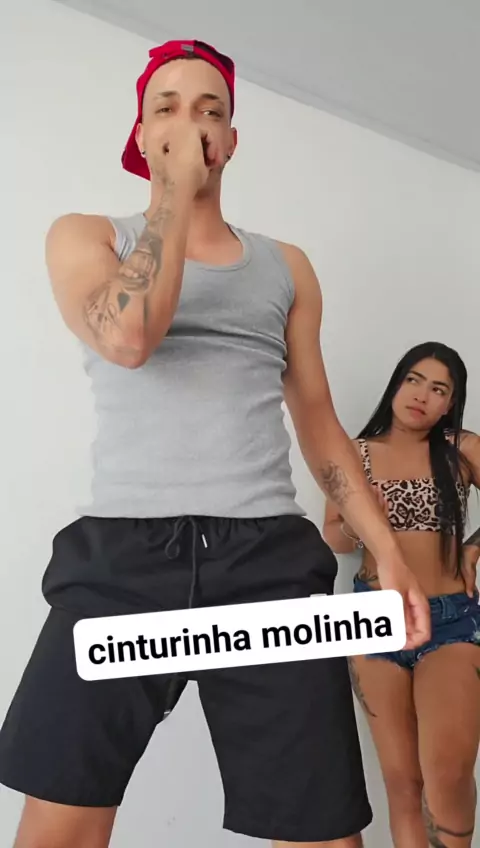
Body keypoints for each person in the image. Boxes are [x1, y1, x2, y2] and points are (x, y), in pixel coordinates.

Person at [0, 40, 429, 848]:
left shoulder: (287, 267)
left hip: (266, 561)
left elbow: (319, 423)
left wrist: (389, 555)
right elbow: (128, 339)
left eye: (210, 110)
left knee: (323, 832)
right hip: (121, 561)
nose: (189, 122)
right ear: (140, 133)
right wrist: (172, 192)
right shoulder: (86, 236)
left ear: (231, 140)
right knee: (58, 828)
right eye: (166, 107)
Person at [323, 341, 480, 848]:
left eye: (438, 389)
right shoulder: (355, 453)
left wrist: (475, 546)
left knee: (448, 773)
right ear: (396, 383)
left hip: (451, 620)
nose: (421, 395)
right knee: (403, 782)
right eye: (413, 380)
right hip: (373, 620)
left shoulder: (461, 448)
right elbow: (333, 534)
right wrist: (360, 522)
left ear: (450, 403)